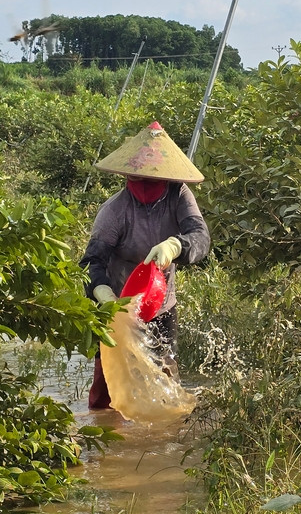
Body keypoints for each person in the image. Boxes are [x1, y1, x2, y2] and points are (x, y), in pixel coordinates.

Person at [80, 121, 211, 410]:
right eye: (137, 180)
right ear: (128, 177)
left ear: (166, 178)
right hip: (117, 306)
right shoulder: (114, 212)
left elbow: (200, 237)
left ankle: (163, 441)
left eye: (152, 181)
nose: (145, 187)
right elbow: (92, 262)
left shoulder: (179, 197)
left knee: (165, 377)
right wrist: (103, 294)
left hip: (161, 304)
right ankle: (108, 445)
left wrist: (175, 246)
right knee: (109, 386)